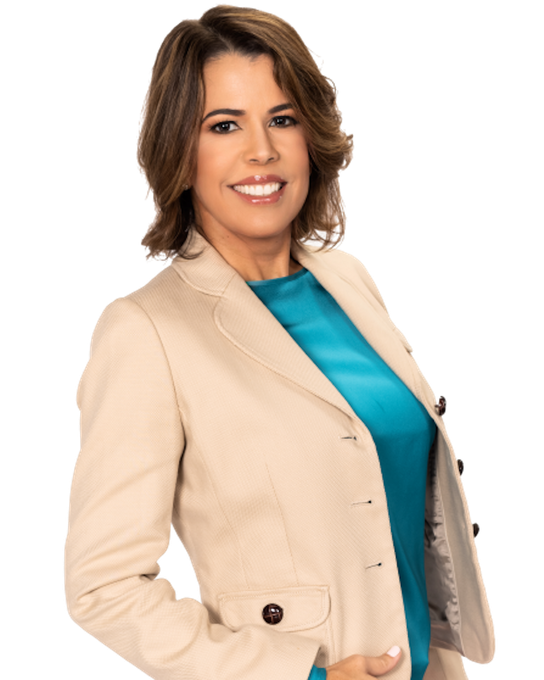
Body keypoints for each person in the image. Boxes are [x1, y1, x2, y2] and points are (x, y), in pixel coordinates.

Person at [63, 5, 496, 679]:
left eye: (283, 119)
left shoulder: (349, 280)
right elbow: (104, 588)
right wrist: (304, 675)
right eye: (224, 125)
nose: (260, 150)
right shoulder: (144, 332)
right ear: (181, 154)